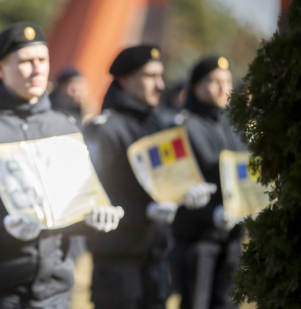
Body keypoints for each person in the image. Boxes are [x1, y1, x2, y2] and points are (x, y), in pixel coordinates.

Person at [0, 22, 124, 309]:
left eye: (42, 60)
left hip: (55, 292)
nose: (37, 69)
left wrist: (93, 217)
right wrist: (3, 227)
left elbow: (73, 204)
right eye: (25, 62)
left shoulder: (65, 127)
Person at [83, 45, 216, 309]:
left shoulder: (162, 127)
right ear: (124, 80)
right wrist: (145, 211)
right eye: (149, 76)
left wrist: (186, 194)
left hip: (156, 258)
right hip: (117, 263)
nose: (160, 85)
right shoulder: (104, 129)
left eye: (160, 76)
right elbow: (91, 199)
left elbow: (169, 181)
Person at [170, 56, 247, 309]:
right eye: (214, 81)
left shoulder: (234, 124)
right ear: (195, 87)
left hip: (232, 238)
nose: (223, 88)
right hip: (197, 240)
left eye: (227, 81)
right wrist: (211, 213)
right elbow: (175, 185)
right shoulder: (182, 126)